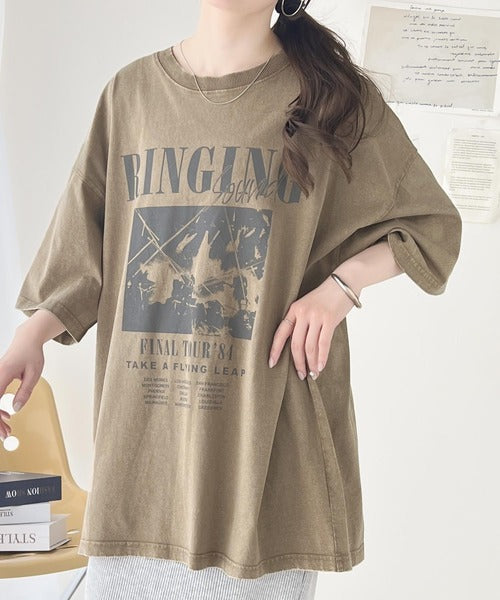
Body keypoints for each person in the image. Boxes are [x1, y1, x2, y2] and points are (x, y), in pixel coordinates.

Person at [0, 0, 462, 598]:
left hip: (263, 463)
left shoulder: (330, 98)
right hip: (145, 464)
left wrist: (340, 289)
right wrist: (31, 335)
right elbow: (85, 243)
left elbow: (429, 227)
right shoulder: (130, 95)